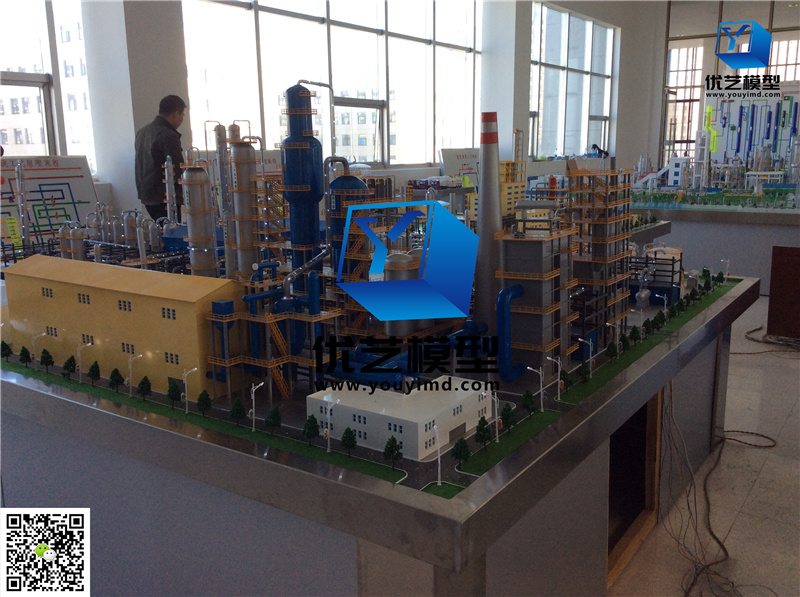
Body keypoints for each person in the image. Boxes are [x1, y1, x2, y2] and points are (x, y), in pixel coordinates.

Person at [135, 95, 186, 221]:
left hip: (147, 195)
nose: (182, 119)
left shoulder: (142, 132)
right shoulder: (169, 135)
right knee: (172, 230)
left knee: (160, 229)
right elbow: (176, 167)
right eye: (182, 115)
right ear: (175, 114)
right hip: (165, 197)